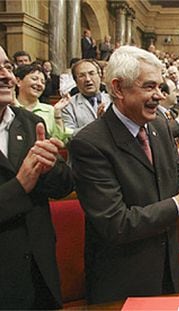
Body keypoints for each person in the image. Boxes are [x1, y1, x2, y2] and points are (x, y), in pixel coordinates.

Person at [69, 46, 179, 304]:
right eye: (150, 87)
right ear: (119, 88)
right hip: (123, 281)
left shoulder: (159, 126)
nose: (159, 96)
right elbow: (116, 223)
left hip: (166, 272)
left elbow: (175, 177)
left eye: (161, 87)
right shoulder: (89, 144)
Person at [0, 45, 74, 309]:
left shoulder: (30, 123)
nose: (6, 76)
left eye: (7, 67)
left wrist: (51, 166)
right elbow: (22, 185)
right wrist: (19, 186)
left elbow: (64, 185)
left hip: (38, 276)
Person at [14, 64, 72, 144]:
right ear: (18, 81)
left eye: (43, 82)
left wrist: (57, 112)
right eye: (34, 79)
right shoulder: (9, 108)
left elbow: (60, 141)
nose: (39, 84)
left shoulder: (49, 110)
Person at [61, 59, 111, 135]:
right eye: (81, 76)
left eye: (91, 73)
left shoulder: (113, 100)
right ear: (76, 81)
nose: (88, 79)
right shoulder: (68, 106)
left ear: (100, 76)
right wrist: (97, 124)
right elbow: (68, 134)